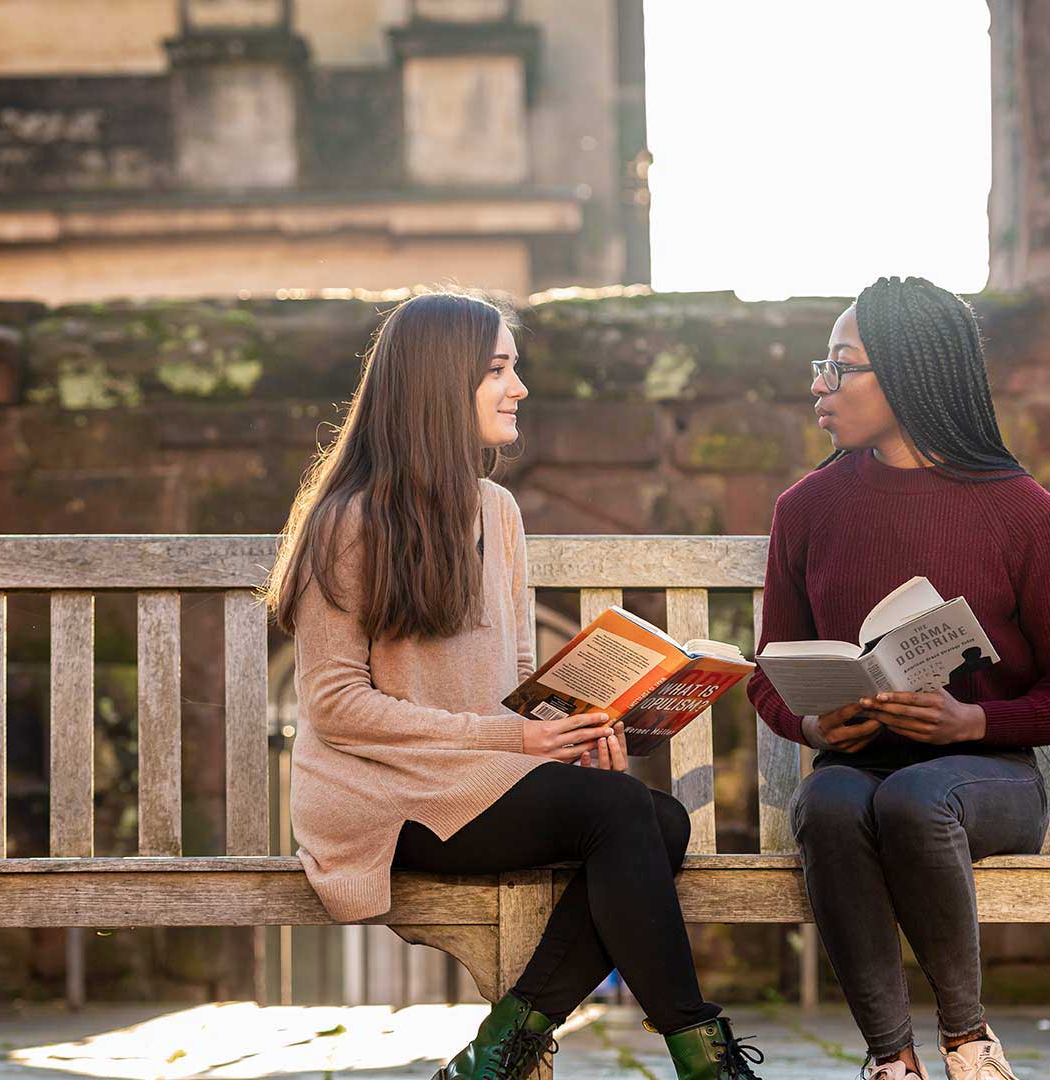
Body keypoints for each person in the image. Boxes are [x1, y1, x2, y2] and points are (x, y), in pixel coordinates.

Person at [264, 290, 764, 1080]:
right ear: (439, 383)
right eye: (497, 369)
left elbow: (510, 683)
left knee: (655, 823)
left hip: (478, 778)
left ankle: (499, 1053)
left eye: (514, 367)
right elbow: (333, 705)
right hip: (386, 799)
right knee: (631, 819)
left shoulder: (496, 510)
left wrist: (577, 726)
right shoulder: (348, 521)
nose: (519, 387)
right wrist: (514, 739)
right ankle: (703, 1059)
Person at [746, 277, 1050, 1080]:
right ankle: (890, 1060)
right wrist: (811, 726)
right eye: (822, 365)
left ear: (907, 374)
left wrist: (969, 724)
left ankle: (968, 1043)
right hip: (858, 766)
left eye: (841, 367)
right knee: (829, 800)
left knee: (916, 797)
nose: (819, 385)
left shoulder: (1023, 511)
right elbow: (768, 673)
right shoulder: (807, 508)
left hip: (990, 779)